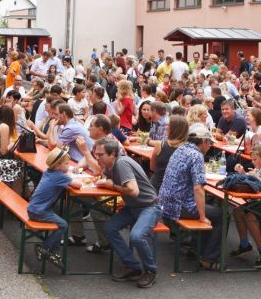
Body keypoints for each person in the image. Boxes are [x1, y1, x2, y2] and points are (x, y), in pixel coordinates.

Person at [94, 138, 161, 288]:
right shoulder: (111, 165)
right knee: (109, 227)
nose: (97, 157)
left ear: (112, 154)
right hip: (133, 207)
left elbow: (133, 191)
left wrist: (113, 186)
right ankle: (132, 266)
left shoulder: (121, 163)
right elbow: (103, 175)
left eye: (100, 154)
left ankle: (151, 271)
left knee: (137, 236)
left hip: (149, 207)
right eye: (95, 154)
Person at [160, 124, 222, 271]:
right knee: (221, 214)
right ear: (204, 141)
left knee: (209, 209)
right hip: (178, 208)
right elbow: (198, 188)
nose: (210, 146)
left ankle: (195, 248)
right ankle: (208, 258)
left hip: (165, 204)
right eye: (210, 143)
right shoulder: (196, 155)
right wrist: (202, 217)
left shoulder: (181, 149)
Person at [26, 147, 83, 269]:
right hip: (39, 211)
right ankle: (44, 248)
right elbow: (78, 185)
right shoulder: (60, 176)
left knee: (59, 221)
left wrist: (66, 172)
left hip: (33, 208)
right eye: (66, 164)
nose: (68, 166)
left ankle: (54, 252)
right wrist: (71, 176)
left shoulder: (49, 172)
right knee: (63, 224)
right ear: (57, 166)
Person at [149, 115, 189, 191]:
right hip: (176, 190)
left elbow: (152, 167)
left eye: (168, 124)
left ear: (174, 128)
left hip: (156, 187)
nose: (165, 126)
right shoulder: (188, 149)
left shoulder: (159, 144)